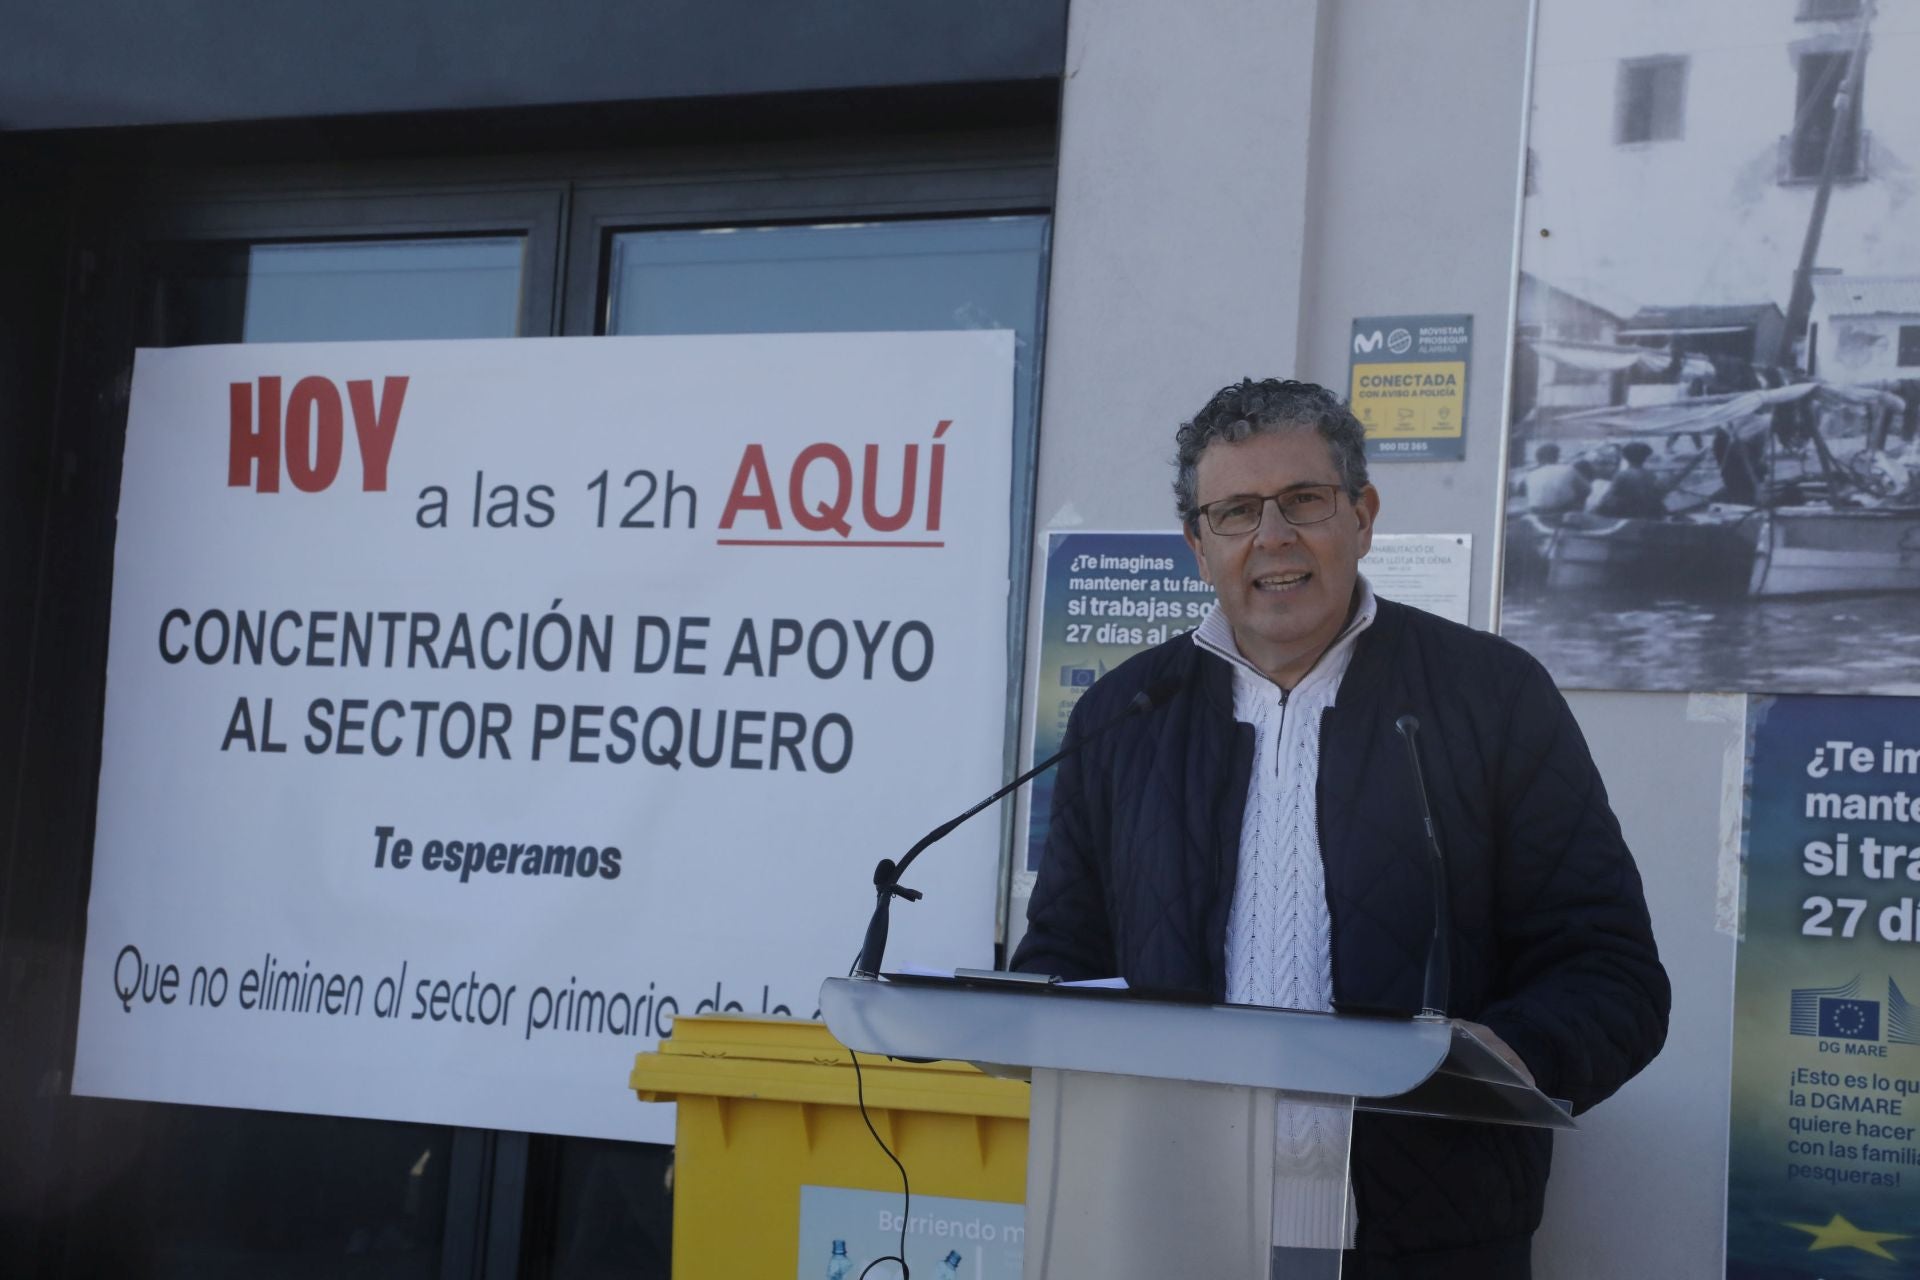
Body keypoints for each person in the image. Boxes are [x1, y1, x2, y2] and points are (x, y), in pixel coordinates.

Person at [1012, 378, 1669, 1279]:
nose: (1272, 538)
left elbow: (1612, 971)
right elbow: (1064, 958)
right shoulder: (1123, 715)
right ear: (1198, 547)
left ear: (1362, 515)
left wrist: (1507, 1059)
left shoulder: (1492, 696)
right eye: (1236, 511)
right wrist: (1020, 1018)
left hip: (1431, 1235)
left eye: (1304, 501)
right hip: (1174, 1227)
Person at [1591, 441, 1668, 518]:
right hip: (1647, 515)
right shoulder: (1651, 475)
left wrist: (1595, 511)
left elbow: (1609, 497)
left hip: (1627, 515)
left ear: (1626, 457)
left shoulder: (1623, 475)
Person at [1517, 442, 1588, 516]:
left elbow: (1521, 492)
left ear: (1538, 459)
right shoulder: (1568, 469)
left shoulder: (1530, 474)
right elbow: (1587, 490)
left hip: (1536, 511)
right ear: (1556, 457)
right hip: (1562, 511)